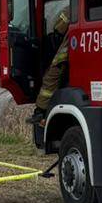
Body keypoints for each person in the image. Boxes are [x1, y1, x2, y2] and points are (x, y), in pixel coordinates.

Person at [32, 8, 71, 138]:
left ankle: (41, 110)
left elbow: (59, 28)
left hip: (66, 51)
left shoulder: (71, 8)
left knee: (51, 77)